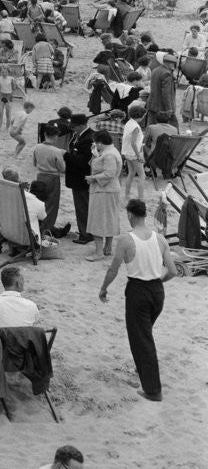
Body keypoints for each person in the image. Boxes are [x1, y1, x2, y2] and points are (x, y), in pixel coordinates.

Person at [98, 198, 177, 402]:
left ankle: (153, 390)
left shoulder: (126, 239)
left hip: (138, 291)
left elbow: (113, 269)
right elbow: (174, 271)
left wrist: (104, 289)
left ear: (131, 215)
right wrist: (158, 281)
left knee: (142, 339)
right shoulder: (160, 239)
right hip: (157, 291)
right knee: (144, 333)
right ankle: (141, 366)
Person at [85, 131, 123, 262]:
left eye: (96, 143)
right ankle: (107, 248)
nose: (95, 145)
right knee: (109, 218)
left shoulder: (109, 154)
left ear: (100, 143)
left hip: (104, 190)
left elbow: (109, 173)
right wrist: (94, 154)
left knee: (99, 219)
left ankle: (99, 251)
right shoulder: (108, 152)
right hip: (108, 190)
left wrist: (93, 178)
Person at [0, 266, 39, 331]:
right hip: (23, 340)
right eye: (23, 280)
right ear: (19, 284)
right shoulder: (31, 306)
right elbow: (34, 324)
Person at [121, 102, 147, 202]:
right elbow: (134, 143)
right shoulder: (136, 127)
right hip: (133, 153)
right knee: (142, 175)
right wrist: (139, 156)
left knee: (131, 173)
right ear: (140, 116)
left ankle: (127, 195)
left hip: (127, 152)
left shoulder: (128, 123)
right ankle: (141, 198)